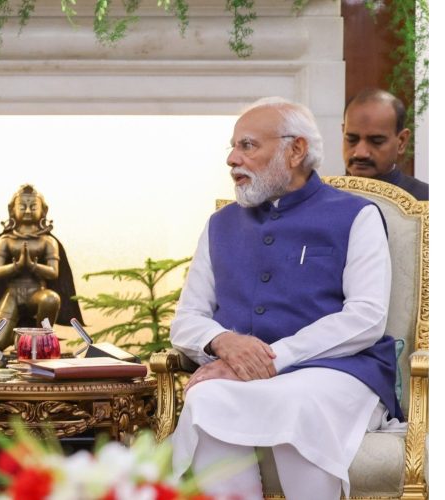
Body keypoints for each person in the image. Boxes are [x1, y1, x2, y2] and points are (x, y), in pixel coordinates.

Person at [170, 97, 401, 500]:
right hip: (243, 373)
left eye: (247, 146)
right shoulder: (219, 225)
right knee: (206, 398)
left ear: (295, 150)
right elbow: (188, 317)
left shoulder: (357, 215)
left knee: (294, 399)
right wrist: (223, 342)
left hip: (342, 370)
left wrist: (272, 358)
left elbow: (366, 317)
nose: (231, 158)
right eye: (233, 146)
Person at [0, 184, 83, 351]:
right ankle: (16, 338)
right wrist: (17, 266)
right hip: (13, 293)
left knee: (51, 299)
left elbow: (53, 272)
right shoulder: (5, 240)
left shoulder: (48, 241)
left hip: (37, 292)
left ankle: (40, 341)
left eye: (33, 206)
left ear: (43, 210)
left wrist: (32, 266)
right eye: (22, 206)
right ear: (12, 210)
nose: (28, 211)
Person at [343, 88, 428, 200]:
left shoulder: (426, 201)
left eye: (376, 141)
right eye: (352, 139)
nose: (360, 153)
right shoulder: (321, 198)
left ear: (402, 141)